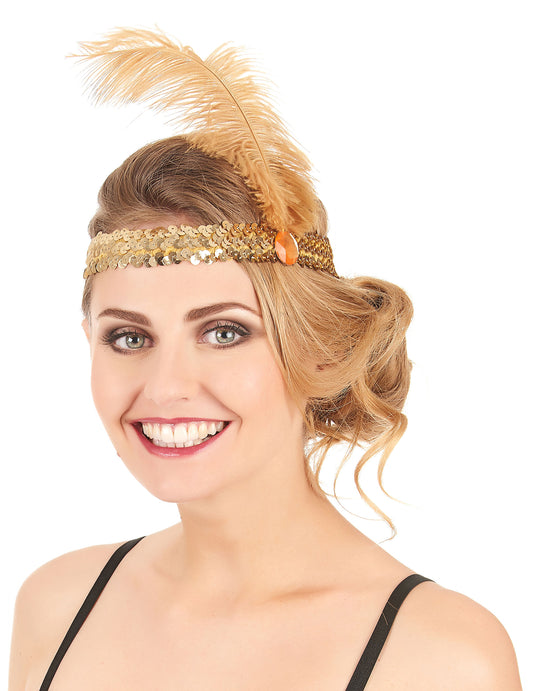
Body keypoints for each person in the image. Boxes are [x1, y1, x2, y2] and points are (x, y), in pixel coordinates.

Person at [9, 29, 522, 691]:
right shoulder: (56, 606)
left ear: (318, 349)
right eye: (130, 338)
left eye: (223, 332)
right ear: (88, 341)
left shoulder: (440, 659)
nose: (165, 388)